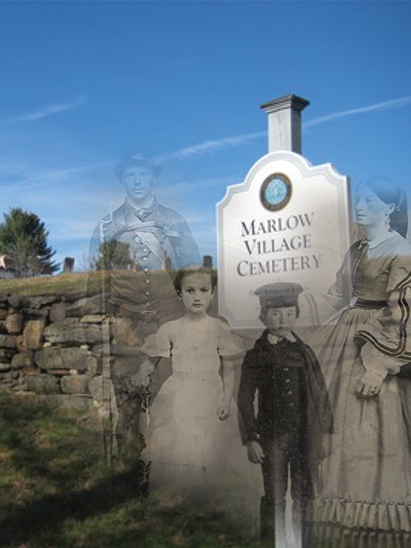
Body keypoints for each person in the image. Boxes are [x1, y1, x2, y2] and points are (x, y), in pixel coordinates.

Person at [88, 152, 201, 491]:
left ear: (153, 178)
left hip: (169, 323)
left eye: (144, 174)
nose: (137, 180)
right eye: (131, 175)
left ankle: (170, 473)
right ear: (123, 180)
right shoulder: (107, 225)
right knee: (128, 405)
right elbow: (97, 281)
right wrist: (107, 324)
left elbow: (191, 270)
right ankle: (130, 478)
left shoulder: (174, 220)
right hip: (127, 329)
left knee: (171, 400)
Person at [311, 178, 411, 547]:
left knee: (369, 428)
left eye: (370, 199)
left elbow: (403, 311)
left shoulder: (401, 250)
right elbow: (338, 294)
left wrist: (379, 364)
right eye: (360, 198)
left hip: (375, 342)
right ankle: (338, 525)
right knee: (338, 428)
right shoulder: (357, 248)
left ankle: (375, 526)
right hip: (343, 335)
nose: (361, 204)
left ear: (388, 208)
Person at [138, 267, 257, 520]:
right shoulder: (170, 328)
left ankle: (212, 501)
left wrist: (225, 398)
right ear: (179, 294)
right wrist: (143, 371)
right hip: (179, 392)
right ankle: (180, 502)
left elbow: (229, 369)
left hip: (212, 391)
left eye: (204, 290)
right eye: (190, 291)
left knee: (210, 444)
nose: (197, 297)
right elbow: (153, 360)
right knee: (180, 443)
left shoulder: (218, 328)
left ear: (212, 294)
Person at [237, 282, 333, 547]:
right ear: (264, 315)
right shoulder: (256, 355)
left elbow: (321, 395)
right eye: (276, 313)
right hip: (271, 438)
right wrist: (252, 438)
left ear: (296, 314)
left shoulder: (305, 352)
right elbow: (244, 399)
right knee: (275, 496)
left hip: (304, 438)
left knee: (304, 495)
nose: (283, 320)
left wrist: (324, 434)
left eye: (289, 313)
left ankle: (305, 543)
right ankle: (271, 543)